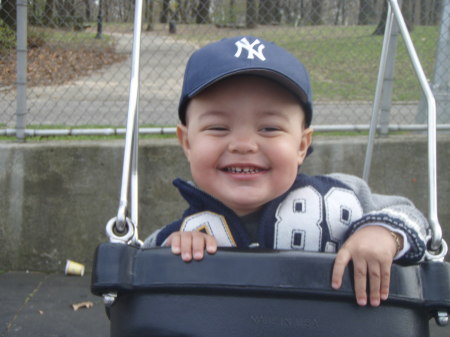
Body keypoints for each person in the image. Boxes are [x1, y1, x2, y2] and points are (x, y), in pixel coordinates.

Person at [143, 36, 429, 308]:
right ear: (187, 142)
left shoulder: (339, 198)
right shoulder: (186, 232)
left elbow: (414, 219)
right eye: (218, 128)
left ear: (302, 145)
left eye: (269, 128)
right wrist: (171, 253)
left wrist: (383, 234)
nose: (244, 145)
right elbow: (139, 270)